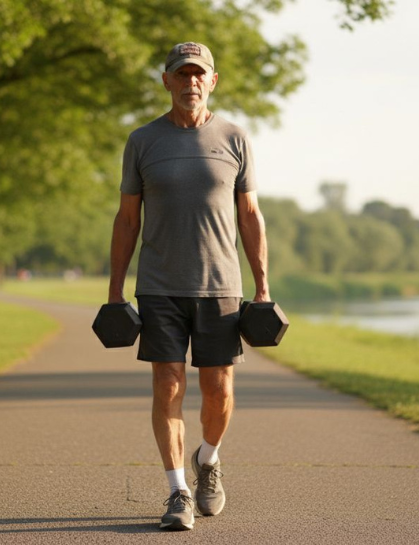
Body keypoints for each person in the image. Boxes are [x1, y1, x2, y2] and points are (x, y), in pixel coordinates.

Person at [108, 41, 270, 531]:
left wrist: (263, 287)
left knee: (219, 390)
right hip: (159, 285)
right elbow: (127, 218)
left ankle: (209, 460)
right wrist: (115, 290)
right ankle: (178, 489)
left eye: (199, 74)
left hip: (221, 284)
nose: (190, 82)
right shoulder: (142, 141)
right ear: (167, 81)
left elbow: (250, 216)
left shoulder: (236, 139)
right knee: (167, 384)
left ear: (212, 81)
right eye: (182, 74)